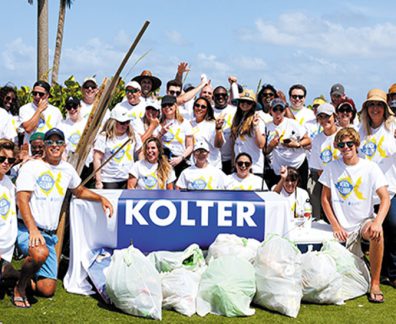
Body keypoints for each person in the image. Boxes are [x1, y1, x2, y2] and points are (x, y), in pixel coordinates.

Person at [14, 128, 113, 308]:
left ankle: (12, 273)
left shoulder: (67, 169)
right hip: (27, 229)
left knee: (47, 290)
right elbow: (22, 199)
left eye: (58, 142)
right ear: (44, 146)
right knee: (39, 253)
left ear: (64, 146)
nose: (54, 145)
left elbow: (79, 190)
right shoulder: (31, 167)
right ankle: (19, 288)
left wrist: (100, 198)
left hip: (50, 236)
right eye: (50, 142)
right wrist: (33, 229)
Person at [320, 127, 390, 303]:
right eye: (342, 144)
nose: (346, 147)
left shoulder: (370, 167)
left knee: (377, 234)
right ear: (337, 147)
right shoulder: (332, 167)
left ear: (357, 144)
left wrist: (377, 222)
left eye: (350, 143)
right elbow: (325, 199)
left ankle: (375, 284)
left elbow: (385, 199)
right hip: (340, 228)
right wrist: (335, 225)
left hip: (362, 224)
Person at [358, 88, 396, 289]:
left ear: (385, 108)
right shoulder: (360, 131)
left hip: (389, 190)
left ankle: (393, 272)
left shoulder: (393, 128)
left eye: (379, 105)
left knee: (393, 227)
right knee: (371, 233)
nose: (375, 108)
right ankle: (376, 273)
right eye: (371, 104)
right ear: (366, 108)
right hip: (364, 193)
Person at [265, 98, 311, 190]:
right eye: (275, 109)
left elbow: (308, 140)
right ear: (271, 111)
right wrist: (271, 145)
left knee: (299, 195)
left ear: (284, 111)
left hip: (298, 164)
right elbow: (265, 151)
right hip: (279, 169)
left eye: (281, 110)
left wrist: (297, 144)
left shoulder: (292, 123)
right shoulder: (267, 127)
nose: (278, 113)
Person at [93, 109, 142, 189]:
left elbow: (140, 152)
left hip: (128, 178)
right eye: (122, 122)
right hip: (109, 179)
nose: (125, 125)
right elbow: (97, 158)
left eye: (127, 122)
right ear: (113, 122)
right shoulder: (104, 137)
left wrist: (139, 174)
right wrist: (98, 181)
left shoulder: (133, 135)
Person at [308, 103, 340, 219]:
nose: (324, 120)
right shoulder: (317, 139)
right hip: (325, 181)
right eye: (320, 117)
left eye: (327, 116)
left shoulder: (343, 134)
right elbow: (318, 168)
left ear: (334, 117)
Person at [231, 89, 266, 177]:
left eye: (249, 102)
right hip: (239, 167)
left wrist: (255, 126)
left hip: (254, 168)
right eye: (243, 101)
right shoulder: (237, 120)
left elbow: (261, 144)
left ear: (253, 105)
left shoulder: (258, 120)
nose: (245, 104)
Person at [157, 95, 193, 177]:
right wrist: (161, 133)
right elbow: (154, 143)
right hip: (164, 161)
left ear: (175, 106)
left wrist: (180, 158)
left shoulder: (185, 123)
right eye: (164, 105)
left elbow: (190, 146)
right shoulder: (158, 124)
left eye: (170, 105)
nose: (167, 107)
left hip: (181, 160)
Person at [0, 139, 20, 288]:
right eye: (2, 158)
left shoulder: (9, 183)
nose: (6, 163)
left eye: (11, 160)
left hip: (7, 246)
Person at [191, 97, 224, 168]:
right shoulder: (189, 124)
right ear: (193, 107)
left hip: (212, 166)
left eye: (203, 107)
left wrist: (218, 129)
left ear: (207, 110)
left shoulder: (212, 125)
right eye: (197, 105)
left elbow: (219, 145)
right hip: (195, 167)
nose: (199, 108)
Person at [212, 84, 237, 174]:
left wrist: (233, 85)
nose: (220, 97)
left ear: (227, 97)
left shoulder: (235, 110)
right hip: (213, 159)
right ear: (212, 98)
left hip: (231, 159)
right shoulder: (208, 111)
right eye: (217, 95)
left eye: (223, 95)